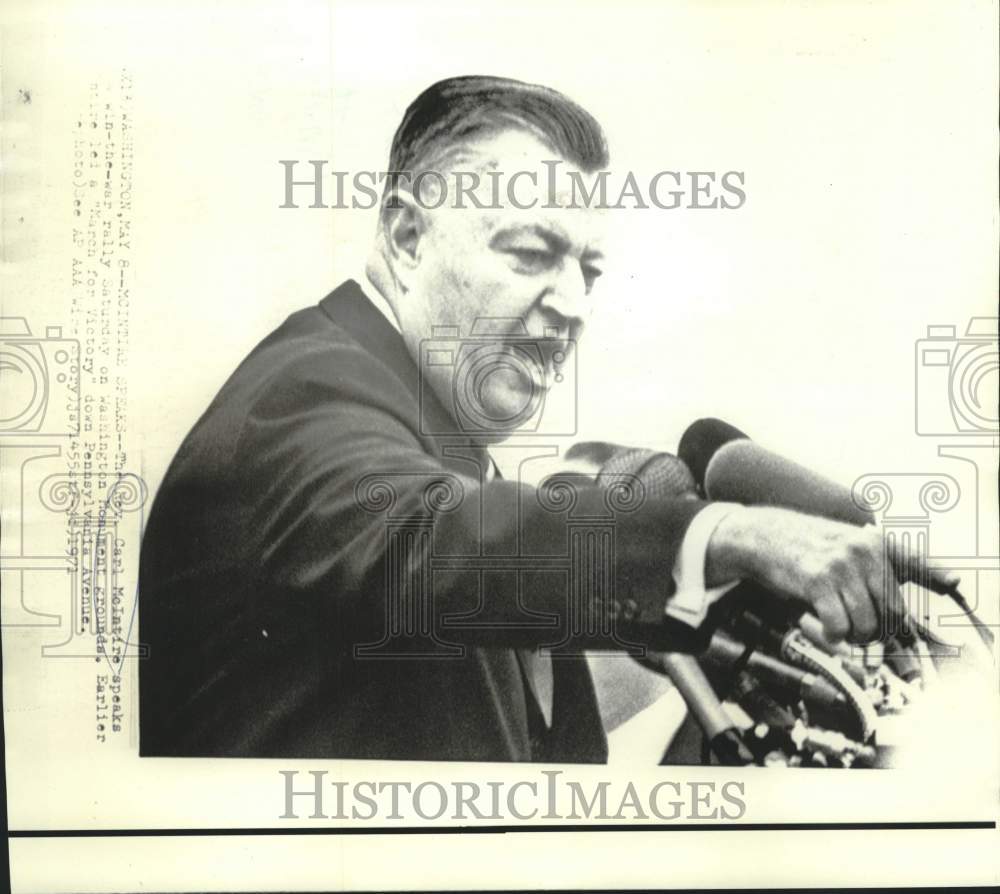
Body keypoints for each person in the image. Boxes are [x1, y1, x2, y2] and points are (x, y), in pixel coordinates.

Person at [138, 75, 950, 761]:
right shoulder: (305, 391)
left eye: (589, 271)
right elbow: (435, 542)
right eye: (531, 254)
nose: (571, 305)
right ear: (407, 235)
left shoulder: (450, 461)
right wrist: (723, 535)